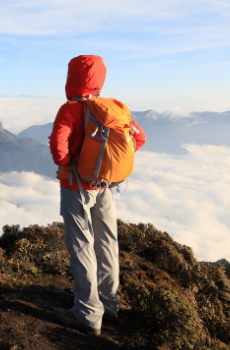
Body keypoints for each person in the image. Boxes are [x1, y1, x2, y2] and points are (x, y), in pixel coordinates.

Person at [48, 55, 146, 335]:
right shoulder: (112, 109)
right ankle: (109, 304)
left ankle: (88, 312)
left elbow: (58, 145)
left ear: (72, 78)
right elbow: (139, 138)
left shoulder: (69, 109)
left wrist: (68, 165)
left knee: (81, 244)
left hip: (76, 188)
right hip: (106, 186)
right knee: (107, 242)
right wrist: (108, 164)